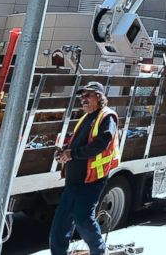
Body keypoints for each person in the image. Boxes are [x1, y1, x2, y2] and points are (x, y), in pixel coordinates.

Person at [50, 81, 119, 255]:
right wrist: (64, 154)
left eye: (88, 95)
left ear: (99, 97)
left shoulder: (107, 117)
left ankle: (99, 251)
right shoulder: (85, 118)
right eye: (82, 96)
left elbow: (101, 144)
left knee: (83, 219)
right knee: (60, 223)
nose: (83, 99)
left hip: (92, 180)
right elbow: (77, 144)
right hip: (75, 180)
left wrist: (72, 154)